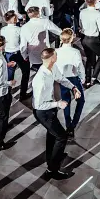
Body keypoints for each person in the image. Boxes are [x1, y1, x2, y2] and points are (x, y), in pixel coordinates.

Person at [32, 47, 79, 180]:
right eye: (56, 55)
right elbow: (38, 105)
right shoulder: (40, 80)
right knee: (62, 137)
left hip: (50, 108)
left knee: (52, 134)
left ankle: (52, 157)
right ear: (52, 58)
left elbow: (61, 78)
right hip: (43, 112)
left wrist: (73, 87)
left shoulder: (52, 68)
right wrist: (58, 104)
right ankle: (52, 170)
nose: (57, 57)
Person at [55, 28, 87, 137]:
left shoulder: (57, 51)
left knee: (66, 101)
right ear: (72, 38)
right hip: (73, 78)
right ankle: (72, 125)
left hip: (62, 79)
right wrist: (82, 78)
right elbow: (80, 66)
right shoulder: (75, 52)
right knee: (81, 101)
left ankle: (68, 125)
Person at [0, 10, 30, 101]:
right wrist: (25, 55)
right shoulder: (19, 29)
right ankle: (23, 94)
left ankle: (7, 94)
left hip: (8, 54)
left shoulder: (3, 30)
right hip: (18, 53)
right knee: (25, 72)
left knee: (10, 74)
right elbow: (23, 43)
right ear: (13, 19)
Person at [79, 0, 100, 88]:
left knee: (89, 59)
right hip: (93, 39)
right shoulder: (97, 13)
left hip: (84, 38)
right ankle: (94, 78)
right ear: (95, 1)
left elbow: (80, 25)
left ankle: (87, 81)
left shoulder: (82, 12)